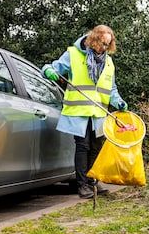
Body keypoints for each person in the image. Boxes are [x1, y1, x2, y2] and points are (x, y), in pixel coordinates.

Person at [41, 25, 128, 199]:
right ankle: (82, 186)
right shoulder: (73, 54)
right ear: (94, 39)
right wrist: (48, 71)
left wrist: (118, 102)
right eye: (102, 43)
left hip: (98, 112)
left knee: (96, 147)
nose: (104, 48)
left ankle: (92, 182)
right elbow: (52, 67)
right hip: (79, 111)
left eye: (107, 45)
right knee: (83, 146)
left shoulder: (108, 62)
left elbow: (111, 88)